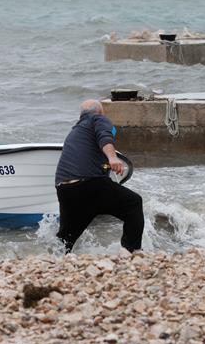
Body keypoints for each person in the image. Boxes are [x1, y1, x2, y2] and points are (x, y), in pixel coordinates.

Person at [55, 99, 144, 253]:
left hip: (64, 189)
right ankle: (132, 252)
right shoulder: (98, 119)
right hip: (89, 185)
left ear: (80, 115)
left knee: (65, 238)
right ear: (101, 112)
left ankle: (52, 259)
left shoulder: (75, 131)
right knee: (134, 203)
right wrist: (112, 157)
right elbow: (105, 137)